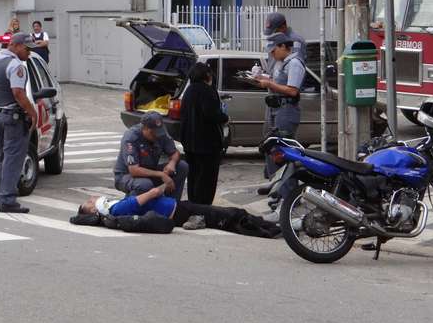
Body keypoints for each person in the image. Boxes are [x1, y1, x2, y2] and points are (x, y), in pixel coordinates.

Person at [75, 184, 280, 238]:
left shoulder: (113, 208)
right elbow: (150, 194)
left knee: (228, 218)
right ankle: (270, 228)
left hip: (179, 210)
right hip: (179, 211)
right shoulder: (117, 208)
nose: (91, 198)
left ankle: (270, 228)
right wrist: (163, 185)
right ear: (92, 209)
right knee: (231, 215)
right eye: (88, 201)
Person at [0, 32, 38, 213]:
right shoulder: (15, 65)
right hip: (12, 117)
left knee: (3, 157)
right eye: (27, 48)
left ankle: (3, 195)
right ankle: (7, 199)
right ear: (15, 46)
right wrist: (33, 113)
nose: (29, 53)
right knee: (13, 159)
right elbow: (18, 93)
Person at [257, 33, 306, 220]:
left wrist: (269, 83)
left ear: (284, 47)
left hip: (287, 110)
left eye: (274, 49)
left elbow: (293, 90)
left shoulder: (294, 63)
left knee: (284, 155)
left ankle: (288, 201)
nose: (272, 53)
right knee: (273, 152)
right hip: (276, 109)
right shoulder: (282, 63)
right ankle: (280, 196)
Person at [180, 62, 228, 204]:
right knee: (206, 179)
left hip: (189, 142)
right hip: (207, 144)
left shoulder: (188, 91)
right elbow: (211, 114)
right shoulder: (207, 91)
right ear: (207, 75)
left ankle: (193, 207)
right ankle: (202, 211)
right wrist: (225, 117)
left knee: (193, 176)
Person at [113, 112, 188, 200]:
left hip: (150, 171)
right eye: (153, 133)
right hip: (126, 176)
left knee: (182, 166)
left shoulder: (161, 133)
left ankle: (172, 205)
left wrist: (172, 163)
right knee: (145, 184)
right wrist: (161, 175)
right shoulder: (131, 137)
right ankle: (129, 207)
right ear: (144, 128)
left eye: (158, 132)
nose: (157, 136)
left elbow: (175, 153)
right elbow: (134, 170)